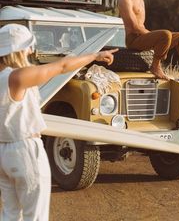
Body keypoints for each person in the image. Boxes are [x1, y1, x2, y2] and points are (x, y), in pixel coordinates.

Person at [0, 23, 117, 221]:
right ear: (18, 50)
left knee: (11, 214)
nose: (31, 50)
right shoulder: (17, 77)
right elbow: (62, 66)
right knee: (35, 216)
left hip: (3, 152)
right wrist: (94, 56)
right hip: (25, 150)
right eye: (28, 47)